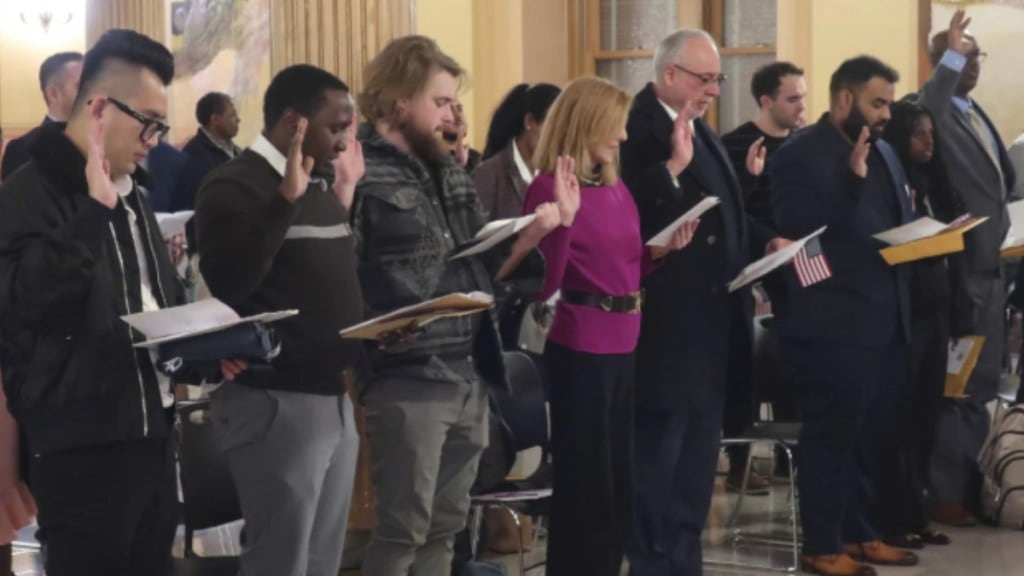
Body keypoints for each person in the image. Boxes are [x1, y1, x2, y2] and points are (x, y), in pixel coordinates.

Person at [352, 35, 561, 576]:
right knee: (403, 529)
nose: (453, 114)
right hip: (408, 374)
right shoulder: (360, 174)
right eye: (441, 102)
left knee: (447, 527)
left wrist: (529, 236)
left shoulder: (448, 171)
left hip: (470, 369)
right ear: (400, 102)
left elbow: (483, 264)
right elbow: (343, 277)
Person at [0, 29, 184, 576]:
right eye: (147, 121)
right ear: (100, 107)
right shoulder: (29, 191)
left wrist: (202, 346)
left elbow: (154, 302)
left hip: (153, 433)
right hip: (82, 445)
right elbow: (20, 305)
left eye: (161, 125)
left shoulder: (135, 195)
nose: (154, 138)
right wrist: (91, 216)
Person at [621, 29, 783, 576]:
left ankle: (683, 566)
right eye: (704, 78)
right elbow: (634, 219)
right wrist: (669, 167)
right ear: (670, 75)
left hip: (712, 330)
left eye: (717, 78)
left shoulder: (699, 129)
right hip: (668, 333)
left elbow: (723, 215)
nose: (714, 88)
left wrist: (764, 241)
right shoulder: (638, 130)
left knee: (693, 476)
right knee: (657, 474)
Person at [194, 65, 365, 576]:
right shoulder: (231, 185)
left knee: (321, 562)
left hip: (334, 398)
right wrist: (284, 201)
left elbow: (329, 282)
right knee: (280, 562)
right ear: (294, 123)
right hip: (275, 400)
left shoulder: (317, 184)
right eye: (335, 127)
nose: (343, 142)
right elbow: (230, 282)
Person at [526, 76, 696, 576]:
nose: (623, 138)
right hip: (581, 343)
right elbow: (544, 280)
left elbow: (624, 265)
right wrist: (563, 221)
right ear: (588, 123)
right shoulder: (548, 187)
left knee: (620, 481)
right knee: (586, 485)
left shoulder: (615, 186)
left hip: (625, 341)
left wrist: (657, 252)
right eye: (616, 127)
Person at [771, 55, 918, 575]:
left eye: (889, 105)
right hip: (832, 324)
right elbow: (794, 229)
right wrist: (850, 182)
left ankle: (859, 533)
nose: (885, 115)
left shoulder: (885, 150)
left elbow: (895, 216)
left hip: (884, 317)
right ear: (843, 99)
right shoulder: (800, 154)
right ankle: (821, 544)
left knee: (867, 436)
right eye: (877, 103)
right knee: (831, 437)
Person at [919, 9, 1017, 528]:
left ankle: (976, 486)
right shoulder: (933, 109)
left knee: (981, 389)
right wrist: (952, 52)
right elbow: (931, 97)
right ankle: (945, 492)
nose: (974, 64)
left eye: (977, 56)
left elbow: (999, 186)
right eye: (964, 56)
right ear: (942, 63)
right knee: (957, 390)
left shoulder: (975, 113)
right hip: (963, 276)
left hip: (993, 270)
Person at [720, 60, 808, 492]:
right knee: (745, 363)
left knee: (800, 354)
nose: (800, 106)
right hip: (754, 262)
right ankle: (739, 460)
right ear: (766, 100)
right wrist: (770, 239)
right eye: (792, 98)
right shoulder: (734, 145)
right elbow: (734, 212)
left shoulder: (803, 145)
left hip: (800, 264)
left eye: (803, 97)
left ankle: (790, 454)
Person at [879, 98, 958, 549]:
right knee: (901, 419)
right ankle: (896, 515)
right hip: (906, 313)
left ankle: (918, 510)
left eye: (931, 133)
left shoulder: (935, 181)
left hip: (936, 308)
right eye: (918, 133)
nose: (927, 141)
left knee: (928, 414)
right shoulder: (892, 181)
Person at [474, 83, 561, 220]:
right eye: (552, 128)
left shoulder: (556, 175)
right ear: (530, 122)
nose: (558, 138)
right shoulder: (490, 174)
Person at [0, 51, 83, 180]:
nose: (92, 94)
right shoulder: (22, 149)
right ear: (54, 94)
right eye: (81, 86)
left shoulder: (106, 142)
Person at [177, 92, 242, 212]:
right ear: (215, 119)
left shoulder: (237, 152)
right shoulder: (195, 155)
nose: (238, 120)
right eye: (232, 115)